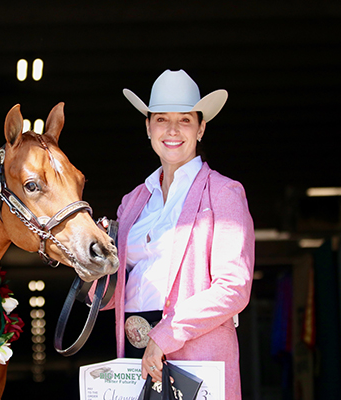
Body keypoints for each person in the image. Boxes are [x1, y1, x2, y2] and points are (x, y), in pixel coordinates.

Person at [109, 69, 255, 400]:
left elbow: (233, 287)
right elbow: (115, 289)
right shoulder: (132, 201)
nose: (172, 130)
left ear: (201, 128)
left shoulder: (223, 193)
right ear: (148, 127)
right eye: (161, 119)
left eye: (185, 120)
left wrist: (167, 334)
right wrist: (95, 273)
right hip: (134, 353)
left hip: (194, 354)